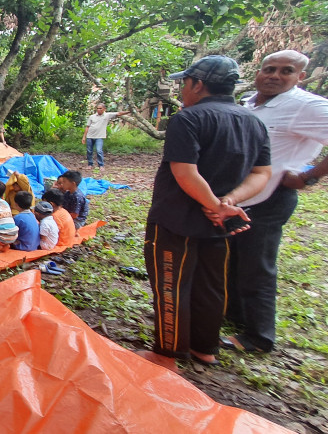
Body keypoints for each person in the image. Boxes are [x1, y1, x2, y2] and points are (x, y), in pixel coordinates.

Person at [138, 55, 271, 372]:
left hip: (176, 219)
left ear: (197, 84)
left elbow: (185, 174)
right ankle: (204, 348)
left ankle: (166, 354)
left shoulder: (189, 119)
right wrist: (228, 204)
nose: (183, 89)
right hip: (218, 223)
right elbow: (262, 173)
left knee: (171, 285)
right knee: (211, 285)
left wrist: (216, 206)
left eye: (185, 82)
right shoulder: (253, 122)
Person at [223, 50, 328, 354]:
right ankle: (235, 316)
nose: (274, 76)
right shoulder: (250, 103)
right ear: (258, 72)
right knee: (234, 260)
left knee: (257, 266)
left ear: (300, 77)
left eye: (286, 71)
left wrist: (309, 176)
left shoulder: (304, 106)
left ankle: (258, 336)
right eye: (269, 69)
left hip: (270, 197)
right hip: (239, 197)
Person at [81, 102, 129, 169]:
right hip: (90, 136)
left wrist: (129, 111)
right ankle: (90, 164)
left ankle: (101, 165)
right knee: (89, 151)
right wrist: (84, 137)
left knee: (99, 151)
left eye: (100, 108)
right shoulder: (92, 117)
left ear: (104, 109)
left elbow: (118, 113)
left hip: (99, 137)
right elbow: (87, 127)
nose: (99, 110)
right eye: (97, 108)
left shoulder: (107, 115)